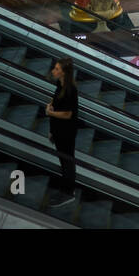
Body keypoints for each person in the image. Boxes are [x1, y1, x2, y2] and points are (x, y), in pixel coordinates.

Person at [46, 56, 80, 208]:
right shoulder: (60, 85)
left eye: (57, 69)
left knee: (67, 162)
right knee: (64, 161)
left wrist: (50, 113)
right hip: (59, 131)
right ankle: (66, 190)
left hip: (66, 133)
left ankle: (68, 193)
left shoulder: (71, 90)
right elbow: (56, 100)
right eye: (55, 68)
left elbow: (68, 114)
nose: (54, 71)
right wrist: (51, 105)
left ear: (64, 73)